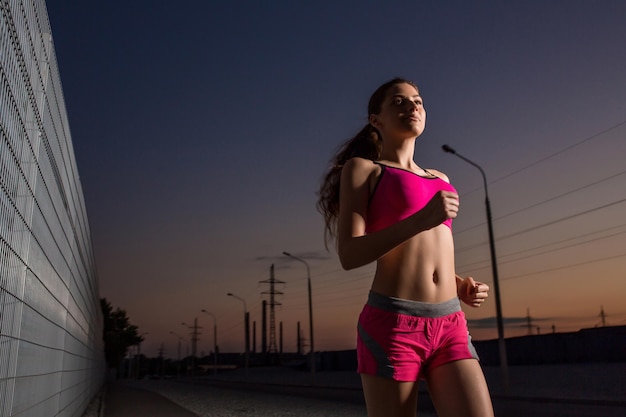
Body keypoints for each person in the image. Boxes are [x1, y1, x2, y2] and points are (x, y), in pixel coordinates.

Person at [317, 78, 495, 417]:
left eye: (418, 101)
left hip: (450, 323)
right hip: (394, 323)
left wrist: (460, 284)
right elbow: (350, 254)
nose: (412, 107)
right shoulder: (365, 170)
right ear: (376, 120)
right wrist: (420, 219)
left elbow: (424, 250)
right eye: (399, 102)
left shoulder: (440, 179)